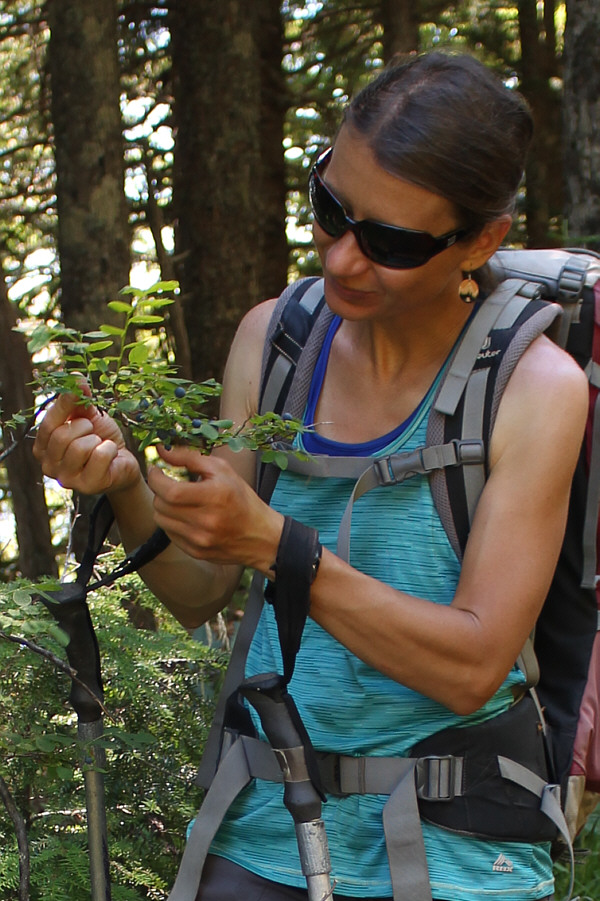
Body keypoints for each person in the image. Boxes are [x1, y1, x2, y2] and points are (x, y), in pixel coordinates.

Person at [33, 52, 588, 901]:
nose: (343, 262)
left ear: (481, 241)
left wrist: (278, 544)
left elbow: (473, 664)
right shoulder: (278, 340)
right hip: (266, 823)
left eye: (393, 242)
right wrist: (124, 487)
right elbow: (200, 590)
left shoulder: (532, 389)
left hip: (461, 849)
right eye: (333, 208)